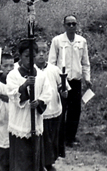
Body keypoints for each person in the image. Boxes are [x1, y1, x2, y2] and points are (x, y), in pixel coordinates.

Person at [7, 40, 52, 171]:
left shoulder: (42, 76)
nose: (30, 59)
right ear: (20, 56)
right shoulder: (13, 75)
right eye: (27, 56)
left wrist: (39, 102)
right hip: (20, 121)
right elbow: (12, 94)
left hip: (35, 121)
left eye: (33, 56)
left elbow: (48, 93)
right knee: (21, 157)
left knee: (34, 155)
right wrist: (24, 86)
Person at [48, 15, 92, 147]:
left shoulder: (81, 41)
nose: (71, 26)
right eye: (69, 24)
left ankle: (70, 137)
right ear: (64, 26)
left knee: (75, 110)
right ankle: (58, 137)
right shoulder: (57, 41)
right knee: (60, 108)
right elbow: (52, 61)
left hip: (76, 80)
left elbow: (85, 62)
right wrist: (54, 80)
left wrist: (87, 78)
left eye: (74, 24)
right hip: (62, 80)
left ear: (77, 25)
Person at [36, 42, 67, 170]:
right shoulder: (32, 71)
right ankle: (40, 163)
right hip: (40, 112)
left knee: (52, 138)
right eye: (38, 52)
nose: (42, 55)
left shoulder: (54, 70)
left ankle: (49, 163)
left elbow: (62, 87)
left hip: (54, 110)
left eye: (44, 51)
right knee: (41, 140)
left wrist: (64, 92)